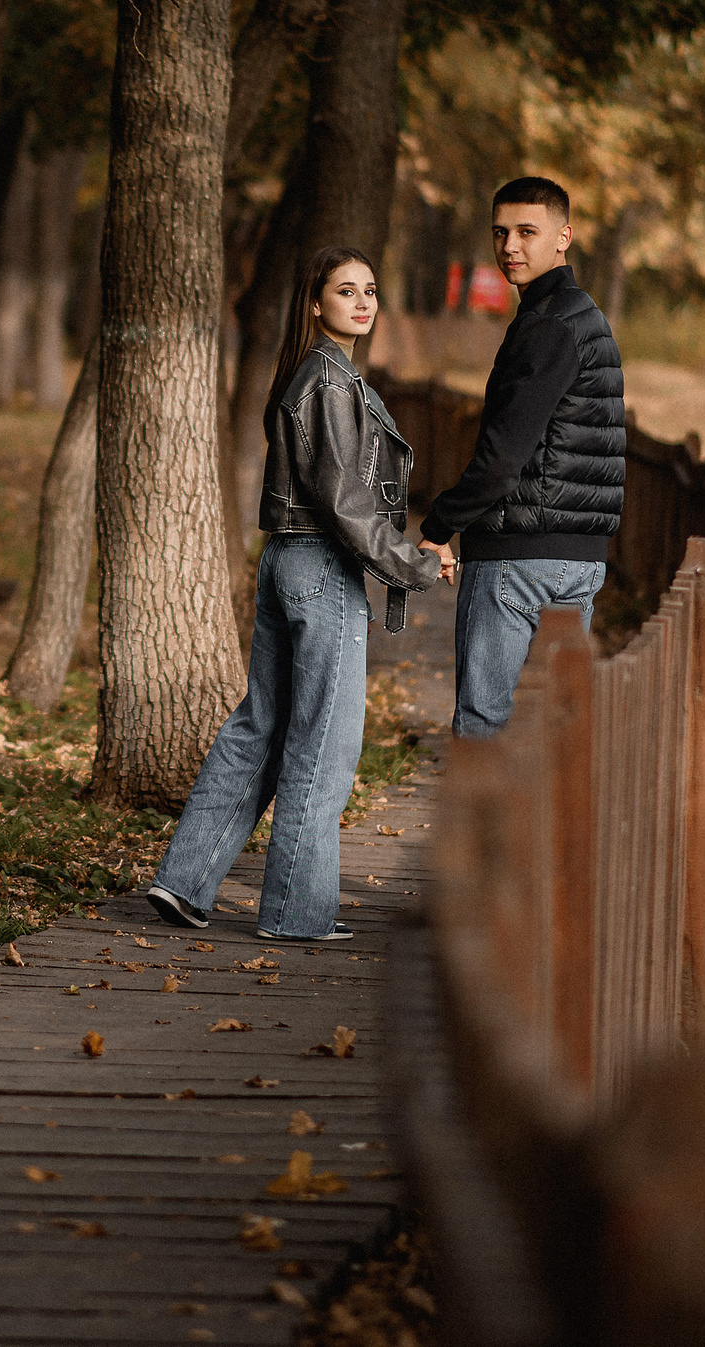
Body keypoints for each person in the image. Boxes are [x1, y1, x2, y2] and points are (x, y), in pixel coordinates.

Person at [144, 246, 442, 941]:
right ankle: (296, 914)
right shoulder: (329, 380)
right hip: (321, 566)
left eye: (370, 289)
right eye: (346, 290)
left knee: (263, 724)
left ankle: (183, 882)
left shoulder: (309, 373)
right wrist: (414, 564)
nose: (363, 302)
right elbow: (343, 501)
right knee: (323, 740)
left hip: (285, 559)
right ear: (315, 302)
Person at [417, 176, 625, 736]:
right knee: (552, 734)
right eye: (500, 233)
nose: (510, 246)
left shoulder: (548, 325)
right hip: (579, 562)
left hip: (519, 557)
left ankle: (482, 805)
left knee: (483, 728)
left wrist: (439, 526)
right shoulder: (585, 318)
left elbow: (503, 458)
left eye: (527, 232)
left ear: (563, 238)